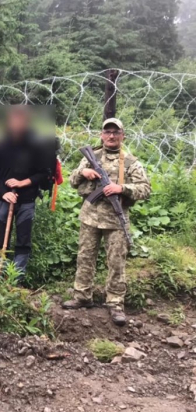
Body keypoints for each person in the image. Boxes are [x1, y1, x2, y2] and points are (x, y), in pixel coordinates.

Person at [62, 118, 151, 325]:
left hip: (116, 220)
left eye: (115, 132)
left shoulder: (130, 162)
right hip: (90, 216)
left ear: (122, 136)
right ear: (102, 135)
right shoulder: (91, 157)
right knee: (85, 257)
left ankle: (115, 302)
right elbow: (72, 181)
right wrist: (83, 172)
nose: (111, 136)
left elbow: (145, 189)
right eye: (108, 132)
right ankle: (82, 296)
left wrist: (122, 188)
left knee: (116, 261)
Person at [0, 107, 51, 282]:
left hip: (26, 199)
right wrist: (4, 192)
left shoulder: (36, 145)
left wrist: (23, 183)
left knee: (23, 239)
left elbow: (44, 173)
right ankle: (0, 274)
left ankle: (16, 279)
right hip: (3, 199)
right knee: (2, 237)